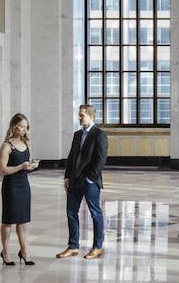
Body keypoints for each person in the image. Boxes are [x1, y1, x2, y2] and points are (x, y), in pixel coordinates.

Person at [55, 104, 108, 259]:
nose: (79, 117)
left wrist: (89, 178)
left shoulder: (99, 135)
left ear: (91, 116)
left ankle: (97, 247)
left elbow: (100, 160)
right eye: (79, 114)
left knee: (95, 213)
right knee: (71, 213)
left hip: (89, 182)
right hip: (74, 181)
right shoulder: (77, 134)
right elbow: (71, 158)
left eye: (82, 115)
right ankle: (73, 247)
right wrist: (67, 177)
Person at [0, 113, 39, 265]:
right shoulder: (7, 146)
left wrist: (31, 166)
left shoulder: (27, 144)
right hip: (11, 187)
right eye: (21, 126)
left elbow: (26, 166)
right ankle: (6, 252)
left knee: (23, 222)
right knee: (8, 221)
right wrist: (21, 166)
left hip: (24, 186)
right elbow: (2, 170)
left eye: (26, 127)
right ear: (14, 126)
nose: (24, 130)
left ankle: (24, 251)